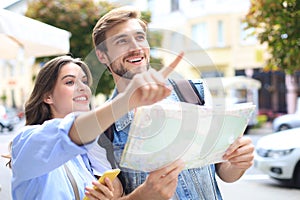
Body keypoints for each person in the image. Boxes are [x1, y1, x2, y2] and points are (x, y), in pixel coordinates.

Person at [92, 6, 255, 200]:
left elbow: (224, 172)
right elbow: (113, 195)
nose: (136, 47)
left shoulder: (195, 94)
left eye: (140, 37)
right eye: (122, 41)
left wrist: (238, 162)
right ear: (102, 55)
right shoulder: (100, 129)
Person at [10, 55, 184, 200]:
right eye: (70, 82)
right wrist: (125, 101)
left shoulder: (87, 157)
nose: (83, 88)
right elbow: (69, 133)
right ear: (48, 96)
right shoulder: (27, 142)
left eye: (84, 81)